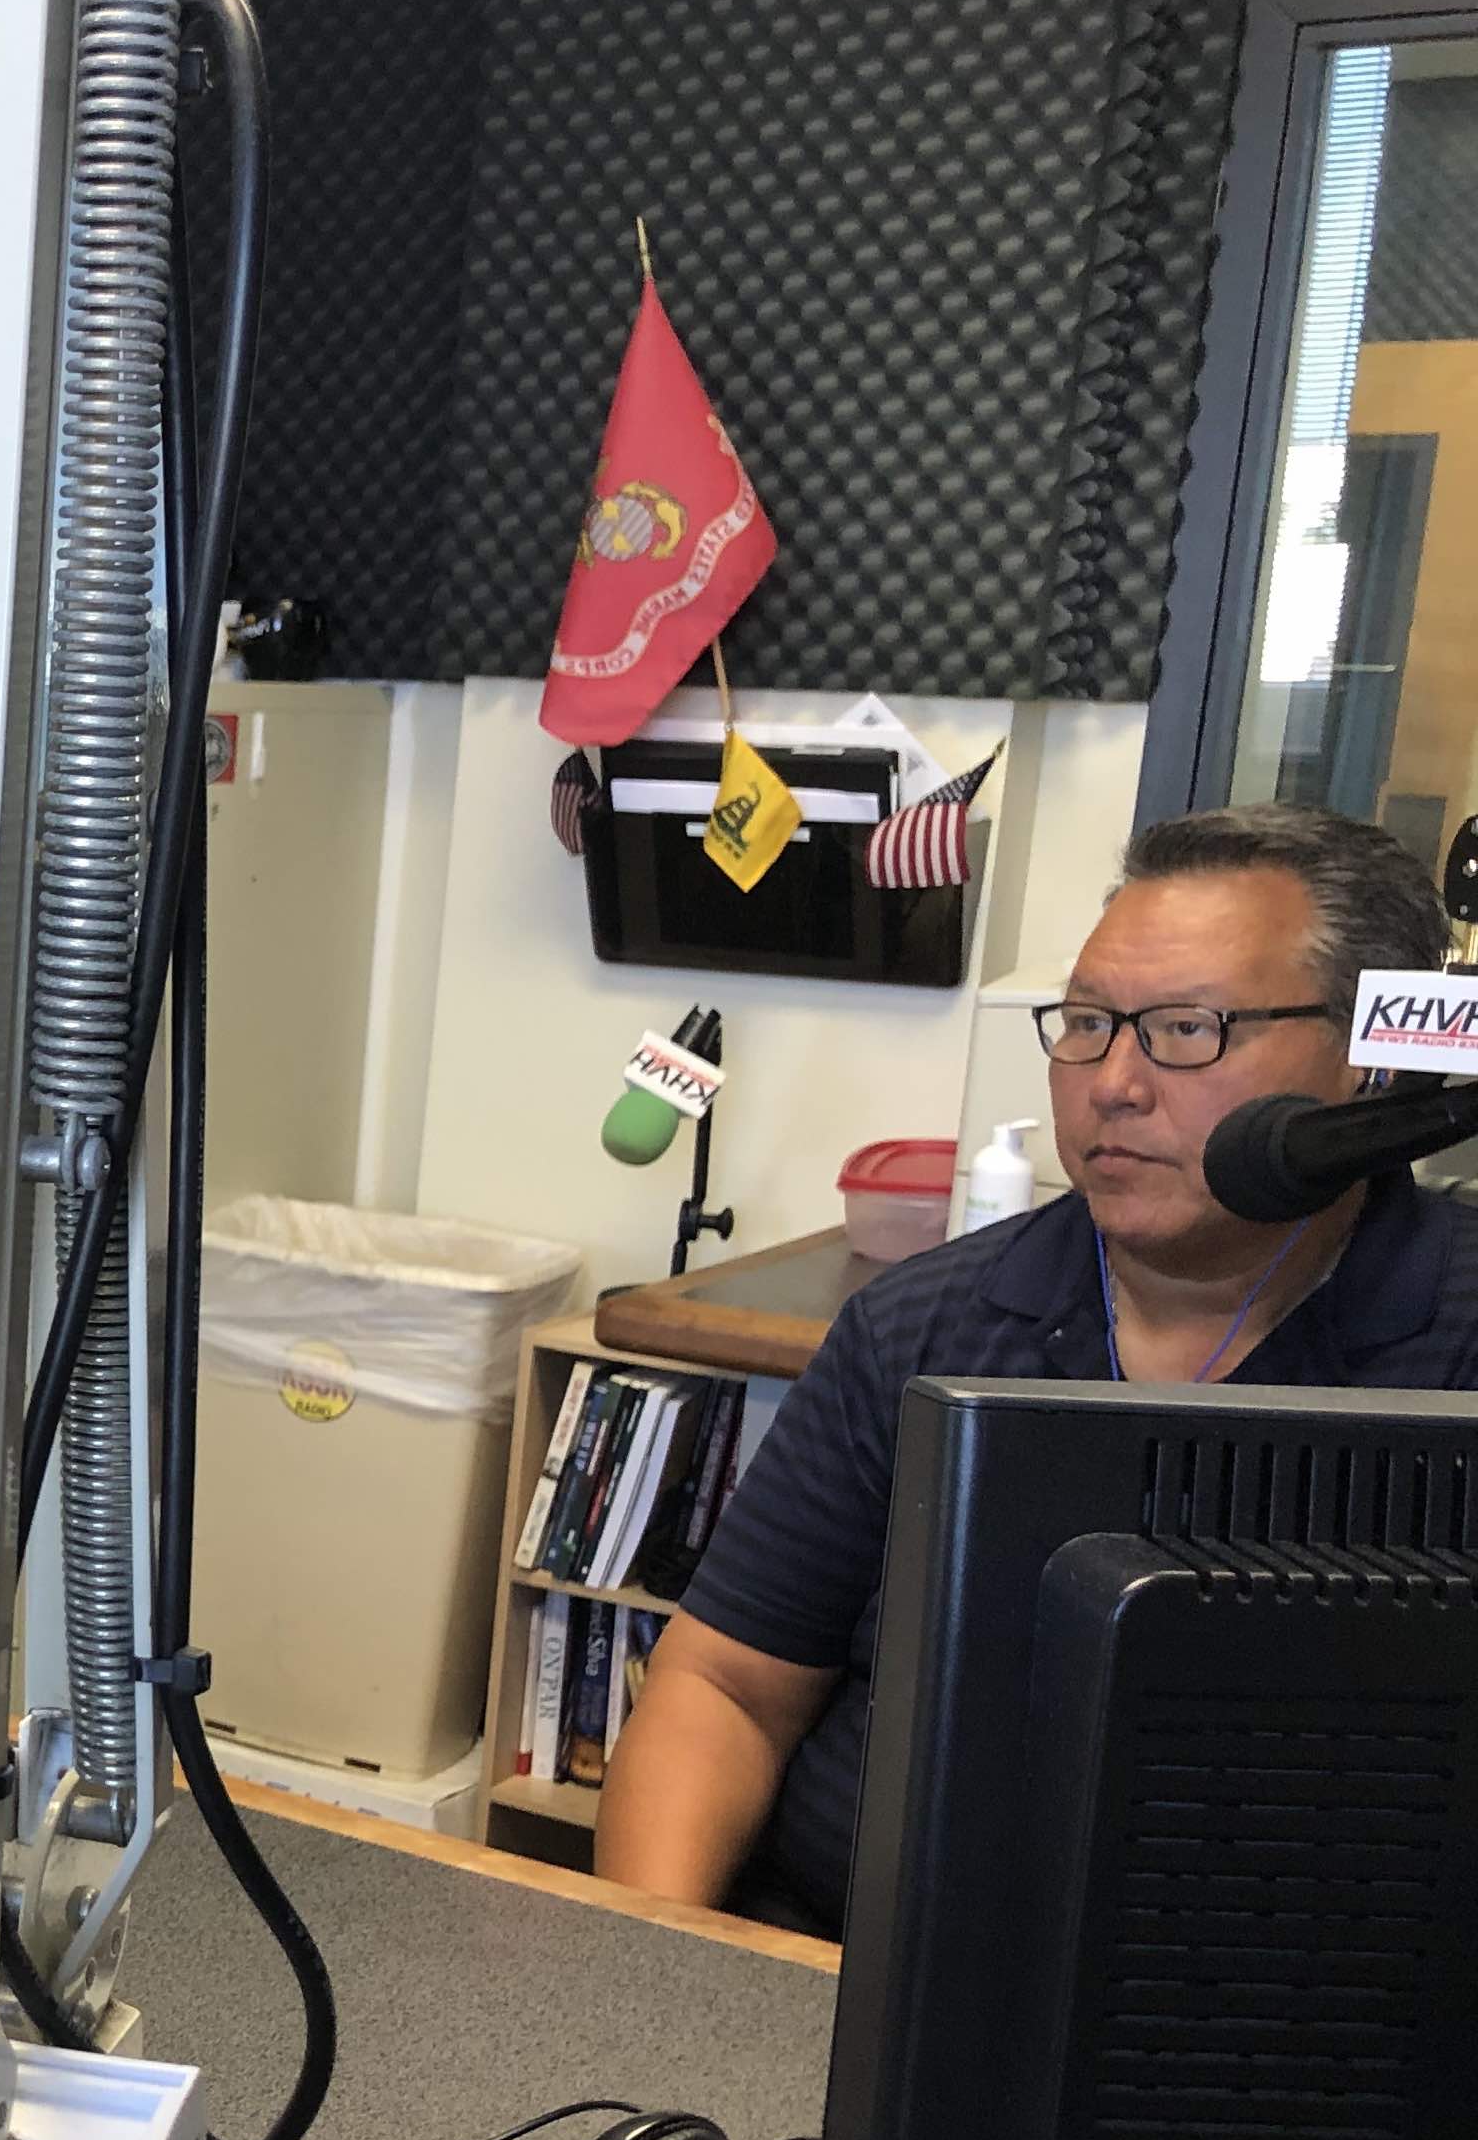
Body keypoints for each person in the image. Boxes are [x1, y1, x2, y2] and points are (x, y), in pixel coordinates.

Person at [599, 802, 1478, 1935]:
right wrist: (657, 1970)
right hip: (856, 1969)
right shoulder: (921, 1328)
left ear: (1371, 1062)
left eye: (1189, 1028)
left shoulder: (1452, 1330)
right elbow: (726, 1688)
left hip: (1295, 2030)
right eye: (1087, 1022)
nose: (1113, 1082)